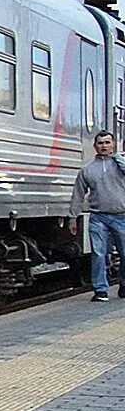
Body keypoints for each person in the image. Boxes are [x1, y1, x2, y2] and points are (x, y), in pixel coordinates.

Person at [70, 129, 125, 301]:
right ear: (95, 146)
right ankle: (100, 290)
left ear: (113, 144)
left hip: (121, 215)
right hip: (98, 217)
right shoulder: (87, 170)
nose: (104, 146)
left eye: (107, 142)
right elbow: (78, 194)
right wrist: (73, 216)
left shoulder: (120, 165)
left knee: (124, 253)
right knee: (98, 253)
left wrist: (119, 158)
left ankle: (124, 285)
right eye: (100, 143)